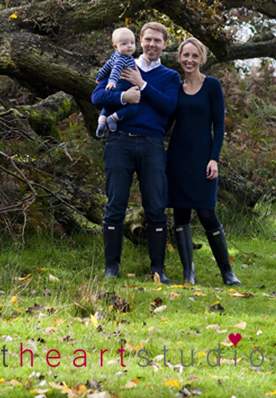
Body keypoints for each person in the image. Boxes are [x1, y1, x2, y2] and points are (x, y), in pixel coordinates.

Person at [91, 22, 180, 282]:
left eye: (158, 40)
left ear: (165, 44)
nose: (152, 44)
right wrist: (122, 98)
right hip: (120, 141)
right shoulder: (121, 64)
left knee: (155, 207)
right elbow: (97, 96)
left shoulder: (170, 76)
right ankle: (111, 269)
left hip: (152, 144)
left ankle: (158, 270)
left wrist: (142, 85)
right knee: (115, 205)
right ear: (140, 41)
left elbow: (169, 106)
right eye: (148, 39)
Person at [166, 37, 241, 286]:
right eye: (185, 55)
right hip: (177, 158)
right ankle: (189, 273)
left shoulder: (212, 85)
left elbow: (219, 127)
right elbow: (165, 124)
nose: (189, 60)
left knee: (207, 213)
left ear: (202, 59)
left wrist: (214, 159)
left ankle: (227, 272)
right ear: (179, 57)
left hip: (203, 159)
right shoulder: (174, 87)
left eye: (194, 56)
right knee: (181, 215)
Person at [95, 27, 138, 138]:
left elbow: (106, 67)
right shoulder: (122, 58)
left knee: (108, 107)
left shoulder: (114, 56)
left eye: (132, 43)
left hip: (115, 87)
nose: (129, 46)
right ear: (115, 46)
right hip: (123, 85)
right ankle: (113, 118)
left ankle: (101, 122)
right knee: (133, 108)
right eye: (124, 44)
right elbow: (116, 70)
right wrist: (112, 80)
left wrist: (99, 77)